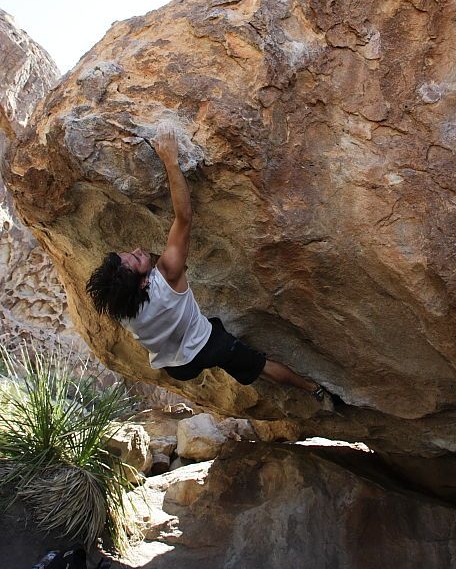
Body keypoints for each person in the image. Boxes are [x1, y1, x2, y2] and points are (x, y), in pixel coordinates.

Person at [86, 128, 327, 401]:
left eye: (130, 252)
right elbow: (184, 218)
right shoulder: (166, 276)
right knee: (262, 367)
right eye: (137, 259)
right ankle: (312, 389)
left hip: (178, 367)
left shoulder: (119, 307)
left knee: (208, 335)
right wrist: (170, 161)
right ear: (144, 282)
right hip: (209, 345)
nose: (138, 250)